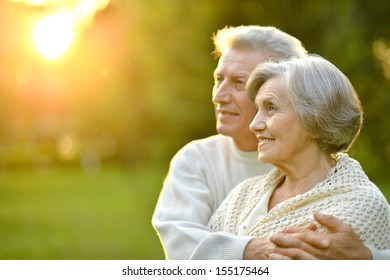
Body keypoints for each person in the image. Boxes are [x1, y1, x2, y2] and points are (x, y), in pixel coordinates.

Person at [152, 25, 390, 260]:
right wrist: (249, 251)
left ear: (314, 114)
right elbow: (180, 244)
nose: (218, 96)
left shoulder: (356, 201)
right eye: (218, 79)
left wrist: (370, 260)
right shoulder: (229, 183)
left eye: (238, 82)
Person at [208, 55, 390, 257]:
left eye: (271, 108)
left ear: (315, 117)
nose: (254, 125)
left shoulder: (361, 205)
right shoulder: (242, 194)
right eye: (257, 109)